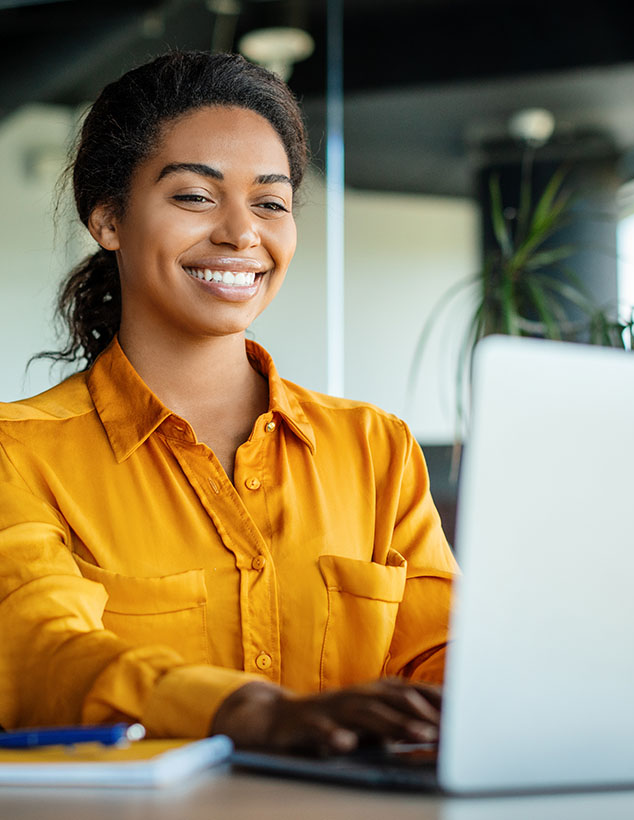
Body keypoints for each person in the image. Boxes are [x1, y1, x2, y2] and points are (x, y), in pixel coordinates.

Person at [0, 52, 458, 754]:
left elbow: (445, 657)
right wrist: (246, 712)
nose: (242, 233)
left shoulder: (374, 449)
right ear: (108, 219)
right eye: (194, 195)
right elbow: (41, 653)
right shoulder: (18, 453)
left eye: (270, 202)